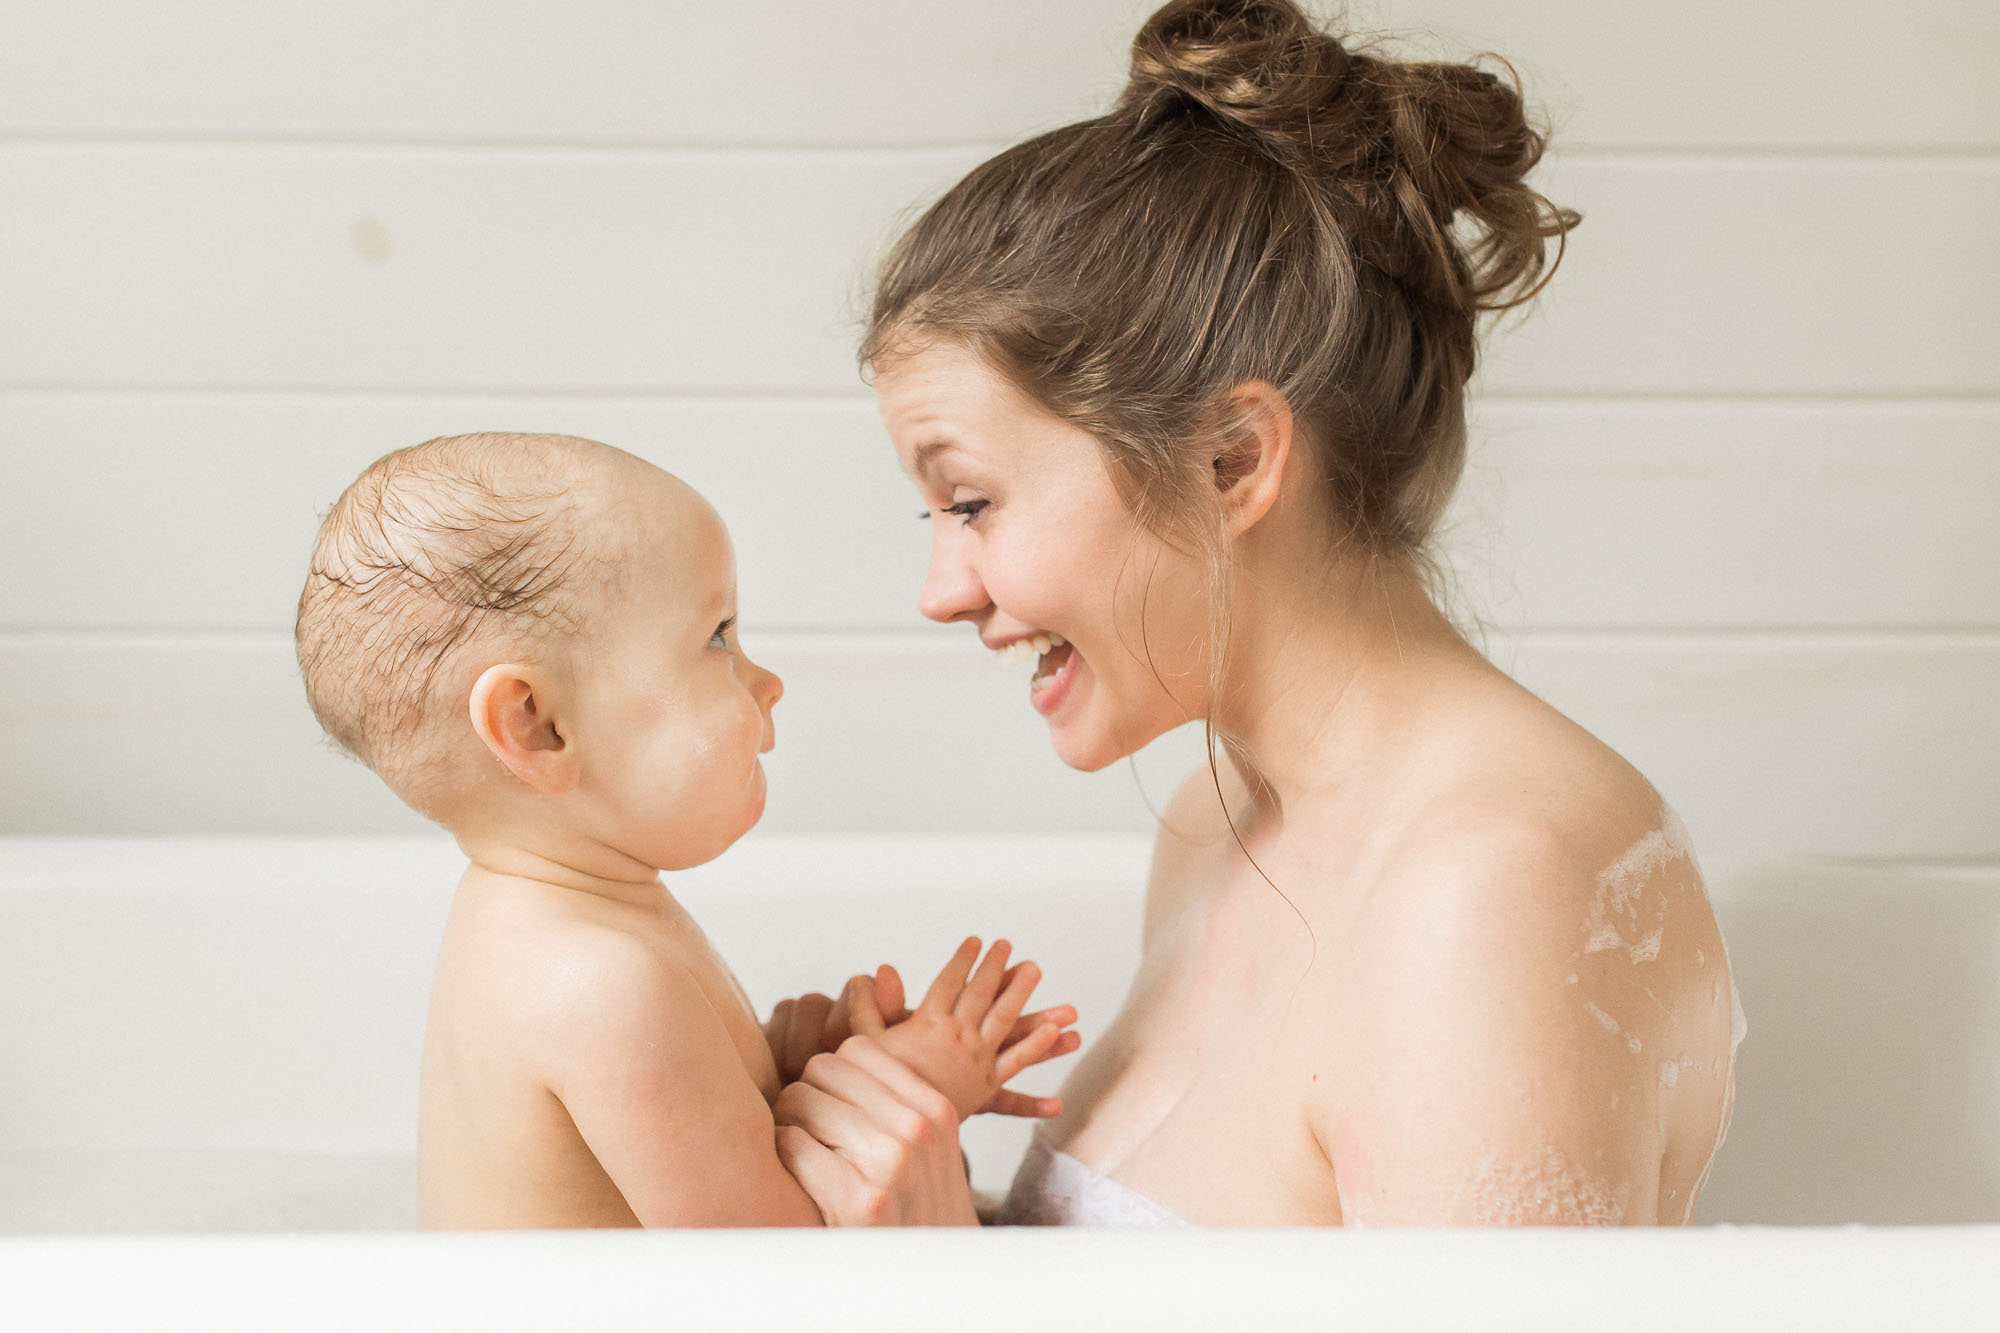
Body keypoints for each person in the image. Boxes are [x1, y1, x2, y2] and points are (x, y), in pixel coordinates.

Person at [771, 0, 1744, 1227]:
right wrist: (901, 1190)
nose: (941, 593)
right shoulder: (1211, 830)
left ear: (1230, 460)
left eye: (970, 500)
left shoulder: (1491, 895)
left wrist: (932, 1294)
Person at [295, 431, 1076, 1227]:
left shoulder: (555, 918)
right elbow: (768, 1278)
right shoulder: (600, 982)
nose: (766, 681)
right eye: (716, 637)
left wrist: (782, 1073)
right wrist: (909, 1086)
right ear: (538, 726)